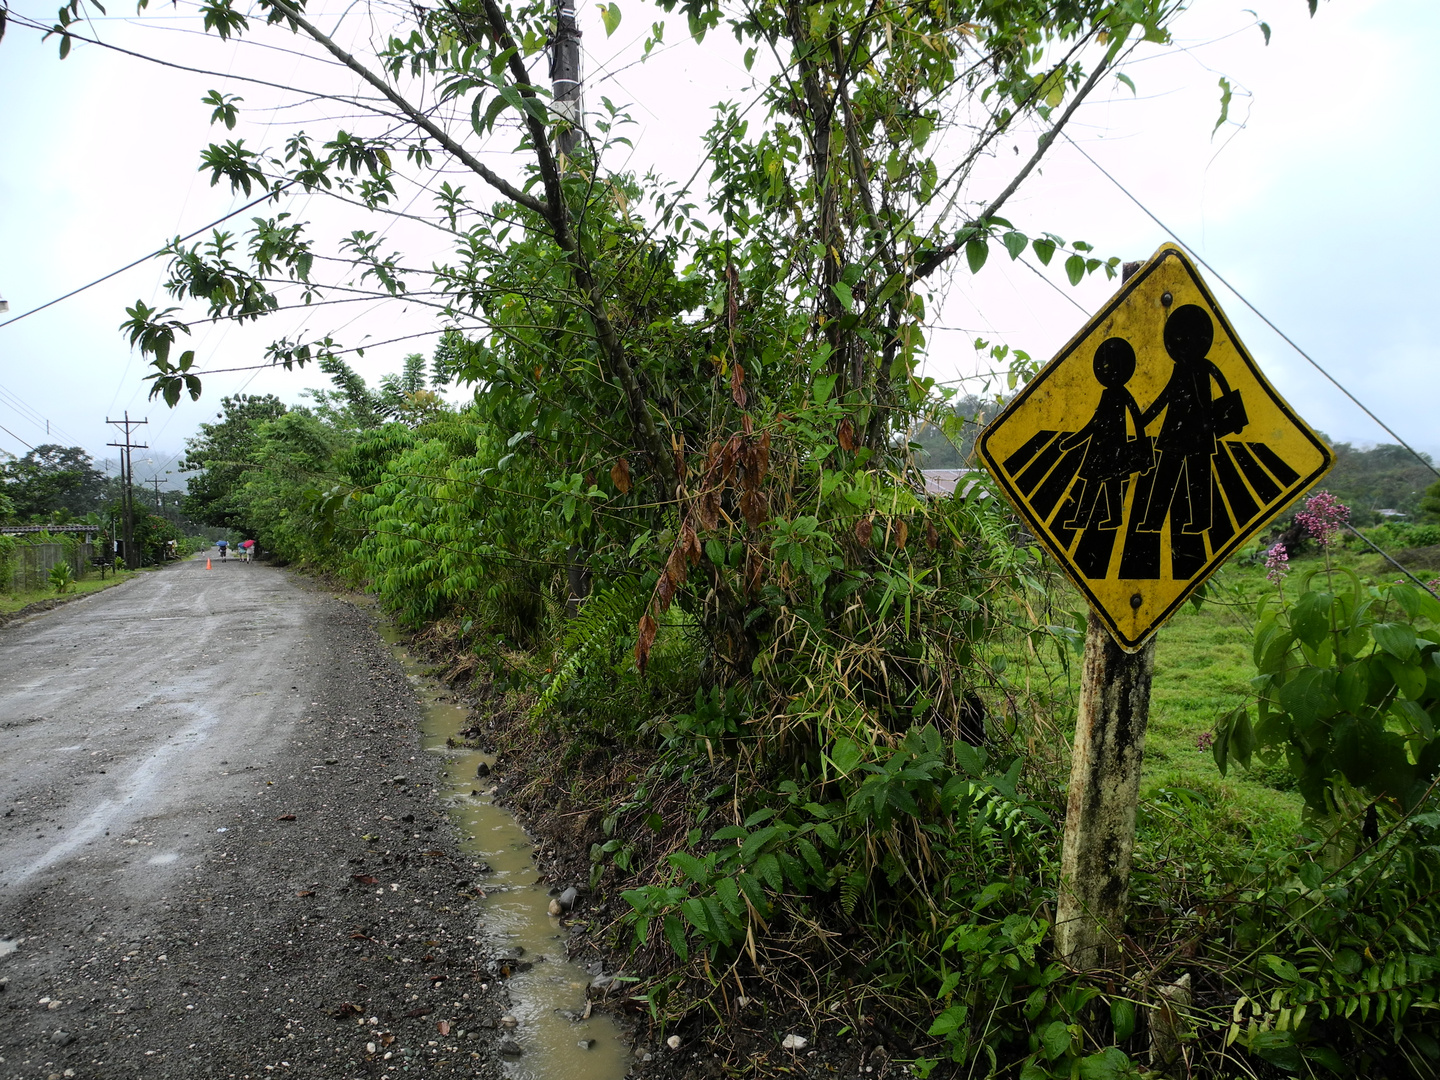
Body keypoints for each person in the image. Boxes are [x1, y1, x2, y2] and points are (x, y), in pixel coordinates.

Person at [1135, 305, 1242, 535]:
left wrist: (1234, 418)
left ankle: (1200, 521)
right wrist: (1142, 421)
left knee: (1199, 478)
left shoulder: (1206, 366)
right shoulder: (1180, 369)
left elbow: (1225, 388)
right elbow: (1165, 396)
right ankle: (1153, 522)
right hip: (1176, 431)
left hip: (1200, 431)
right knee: (1165, 477)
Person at [1059, 337, 1152, 531]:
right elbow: (1095, 423)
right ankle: (1090, 519)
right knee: (1102, 483)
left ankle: (1103, 519)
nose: (1108, 372)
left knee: (1106, 484)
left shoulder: (1121, 394)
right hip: (1103, 447)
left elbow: (1137, 419)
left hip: (1111, 448)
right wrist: (1072, 441)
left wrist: (1143, 451)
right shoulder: (1108, 394)